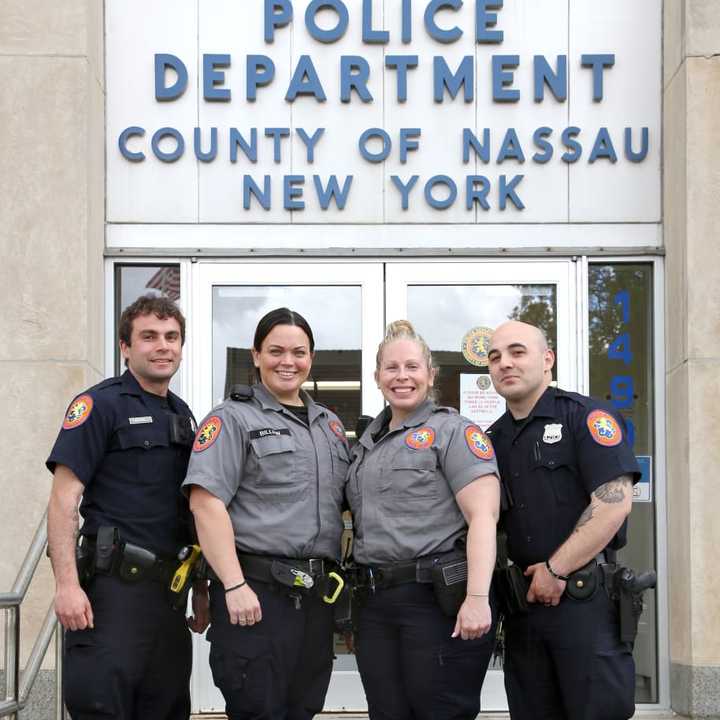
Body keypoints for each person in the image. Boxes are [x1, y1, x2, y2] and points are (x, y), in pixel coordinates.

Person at [46, 294, 209, 720]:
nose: (163, 346)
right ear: (125, 347)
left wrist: (203, 589)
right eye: (149, 337)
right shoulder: (99, 405)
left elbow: (193, 511)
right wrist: (66, 584)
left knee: (168, 709)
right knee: (102, 708)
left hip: (169, 599)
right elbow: (64, 499)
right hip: (111, 596)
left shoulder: (184, 414)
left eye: (172, 337)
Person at [184, 307, 350, 720]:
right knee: (259, 709)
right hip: (256, 596)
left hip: (314, 600)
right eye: (276, 350)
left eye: (299, 352)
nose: (287, 362)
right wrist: (234, 584)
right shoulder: (232, 418)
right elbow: (205, 504)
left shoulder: (329, 425)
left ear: (311, 358)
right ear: (256, 355)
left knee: (304, 707)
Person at [346, 320, 501, 720]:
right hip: (376, 603)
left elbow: (483, 516)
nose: (402, 377)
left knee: (441, 712)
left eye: (412, 367)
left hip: (435, 603)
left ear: (431, 374)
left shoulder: (454, 431)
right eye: (392, 368)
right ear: (377, 376)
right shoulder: (366, 445)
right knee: (386, 711)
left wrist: (478, 600)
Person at [486, 320, 641, 720]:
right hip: (524, 610)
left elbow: (614, 504)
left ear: (547, 359)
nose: (505, 363)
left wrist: (556, 569)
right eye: (495, 357)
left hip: (584, 605)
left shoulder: (585, 417)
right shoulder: (492, 439)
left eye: (517, 352)